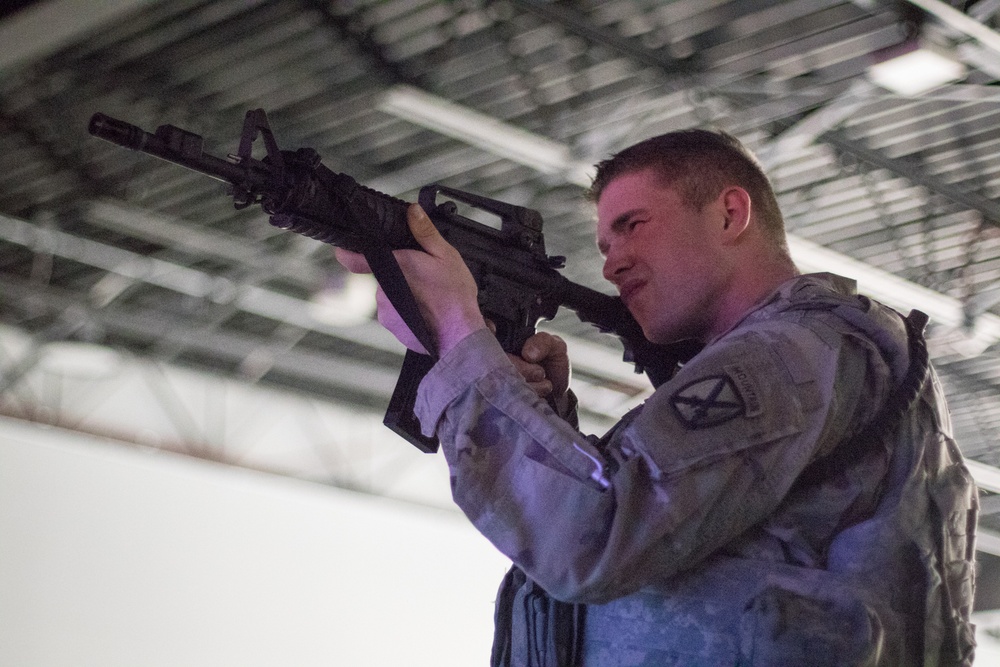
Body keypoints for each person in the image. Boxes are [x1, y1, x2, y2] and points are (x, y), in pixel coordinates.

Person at [336, 130, 978, 666]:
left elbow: (594, 538)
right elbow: (682, 530)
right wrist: (541, 416)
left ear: (731, 214)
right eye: (605, 246)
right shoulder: (825, 352)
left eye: (633, 225)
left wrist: (457, 335)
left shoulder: (790, 355)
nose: (612, 265)